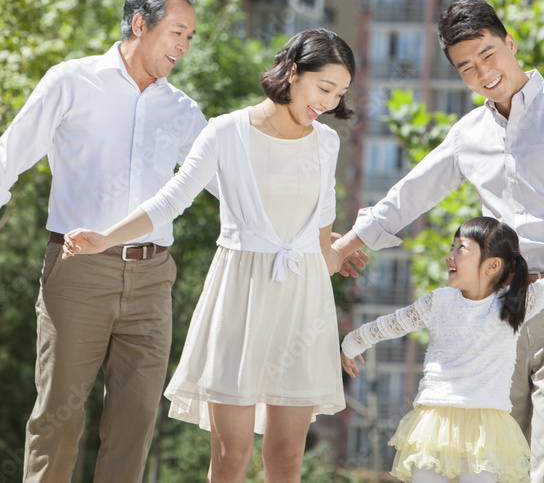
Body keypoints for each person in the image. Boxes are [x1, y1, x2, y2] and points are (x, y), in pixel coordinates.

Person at [332, 0, 544, 483]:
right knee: (499, 459)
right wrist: (347, 243)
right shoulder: (468, 135)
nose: (482, 72)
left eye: (488, 54)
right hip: (504, 310)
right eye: (466, 67)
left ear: (511, 43)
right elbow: (409, 194)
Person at [63, 29, 357, 483]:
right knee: (231, 455)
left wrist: (351, 247)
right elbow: (170, 200)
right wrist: (106, 238)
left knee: (286, 457)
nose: (331, 103)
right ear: (294, 73)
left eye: (340, 94)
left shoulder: (326, 143)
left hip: (303, 302)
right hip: (240, 296)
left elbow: (321, 244)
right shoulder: (227, 131)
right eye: (325, 88)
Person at [0, 0, 211, 482]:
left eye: (190, 37)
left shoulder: (181, 110)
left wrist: (313, 230)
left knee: (135, 422)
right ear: (139, 24)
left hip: (154, 279)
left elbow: (230, 183)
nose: (184, 46)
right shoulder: (71, 81)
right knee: (59, 417)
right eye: (178, 32)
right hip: (78, 272)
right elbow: (7, 159)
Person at [341, 217, 544, 483]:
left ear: (492, 266)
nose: (450, 255)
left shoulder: (515, 303)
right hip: (435, 422)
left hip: (487, 430)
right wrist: (350, 344)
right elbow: (391, 323)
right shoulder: (438, 302)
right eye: (452, 247)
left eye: (461, 248)